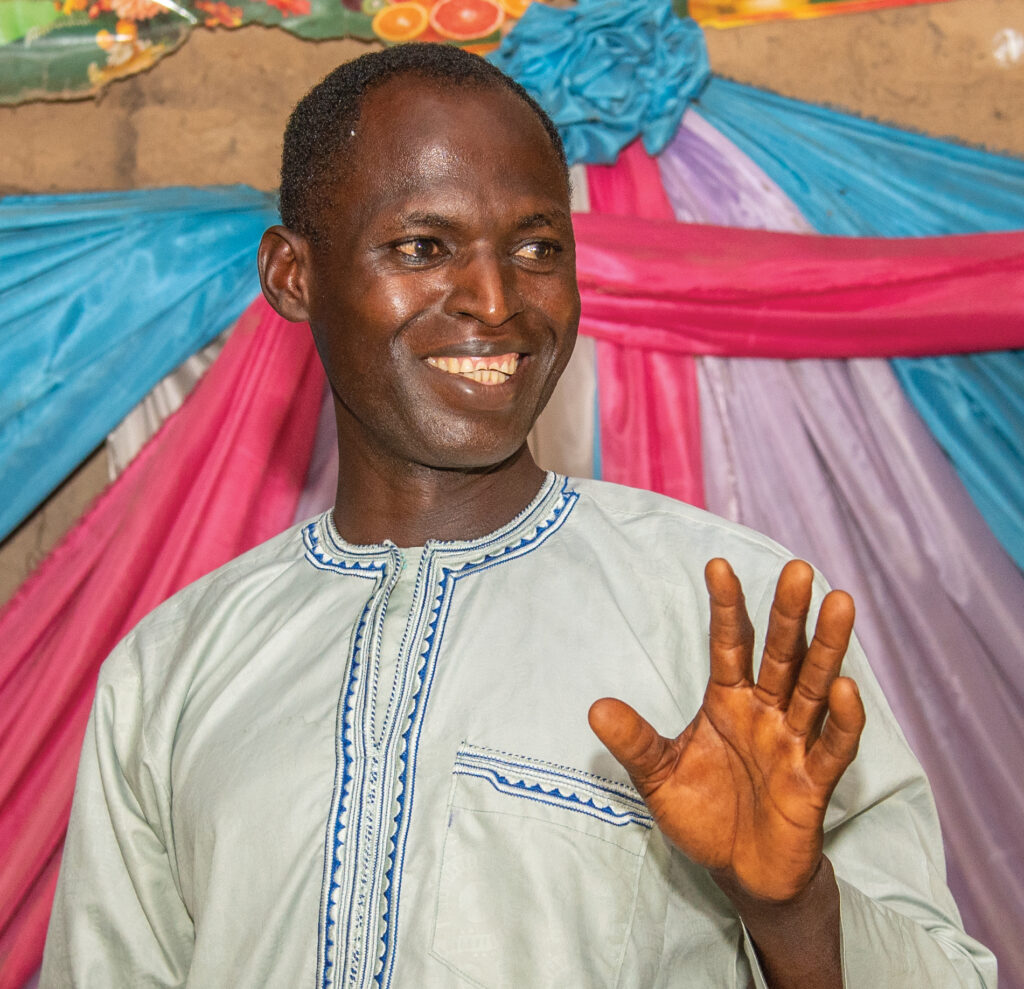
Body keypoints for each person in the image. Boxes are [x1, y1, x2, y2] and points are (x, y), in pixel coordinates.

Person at [42, 44, 995, 988]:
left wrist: (795, 912)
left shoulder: (728, 623)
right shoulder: (172, 670)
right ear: (294, 275)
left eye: (537, 249)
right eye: (423, 248)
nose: (496, 301)